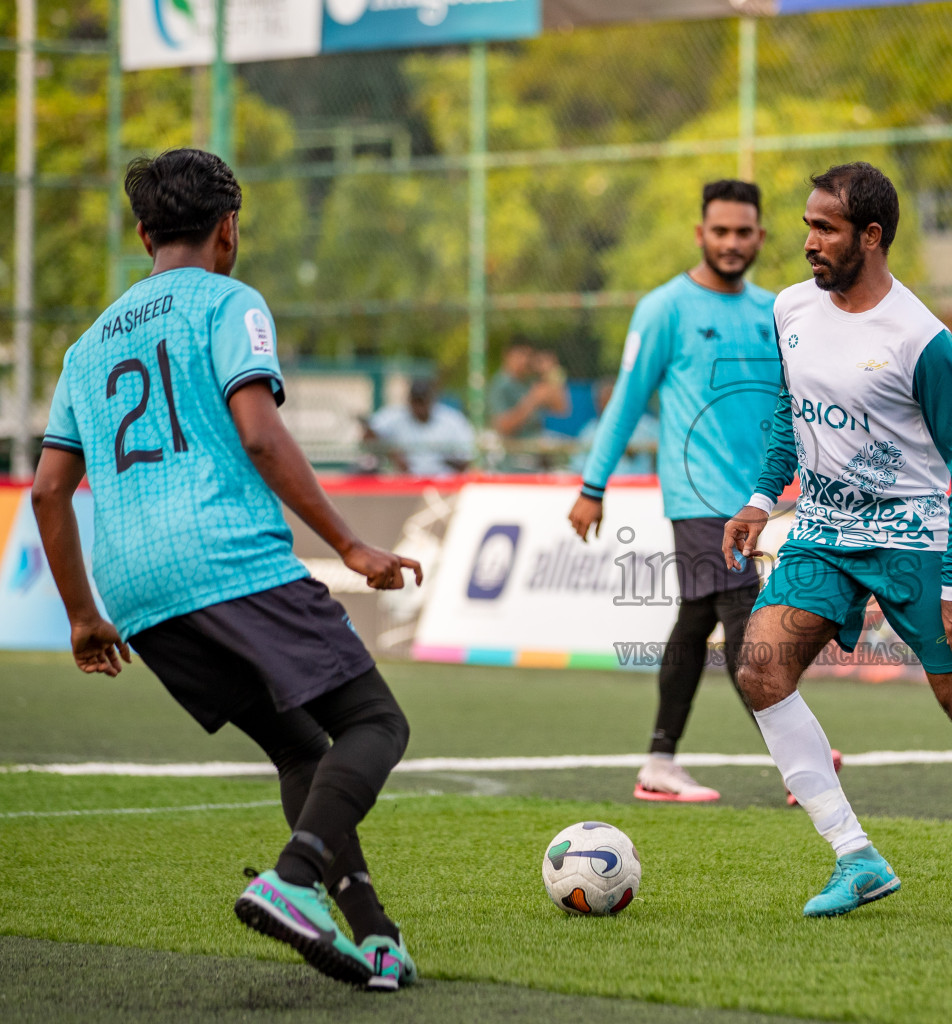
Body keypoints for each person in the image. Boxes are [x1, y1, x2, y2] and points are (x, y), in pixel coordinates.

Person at [31, 149, 424, 989]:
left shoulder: (86, 347)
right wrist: (351, 544)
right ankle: (293, 880)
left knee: (297, 751)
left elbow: (49, 493)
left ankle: (374, 934)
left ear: (143, 234)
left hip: (137, 591)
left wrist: (81, 614)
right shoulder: (230, 301)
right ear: (230, 228)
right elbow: (258, 431)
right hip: (225, 557)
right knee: (375, 724)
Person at [724, 162, 952, 918]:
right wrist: (763, 498)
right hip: (825, 533)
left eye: (825, 228)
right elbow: (788, 413)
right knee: (760, 669)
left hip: (916, 541)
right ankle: (855, 858)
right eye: (807, 225)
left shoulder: (921, 340)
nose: (808, 242)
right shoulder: (790, 308)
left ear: (871, 236)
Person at [568, 179, 778, 802]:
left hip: (756, 501)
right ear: (700, 234)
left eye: (744, 232)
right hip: (697, 497)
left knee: (695, 623)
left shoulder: (774, 309)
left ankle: (659, 762)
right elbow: (628, 401)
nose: (732, 243)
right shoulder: (665, 307)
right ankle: (799, 753)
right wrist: (591, 485)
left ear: (761, 237)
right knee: (745, 614)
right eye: (721, 231)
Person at [364, 377, 476, 475]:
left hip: (444, 484)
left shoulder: (453, 419)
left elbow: (467, 460)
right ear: (409, 401)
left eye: (423, 401)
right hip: (405, 484)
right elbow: (368, 437)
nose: (420, 408)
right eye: (416, 402)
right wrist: (390, 452)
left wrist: (440, 459)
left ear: (432, 400)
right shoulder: (395, 416)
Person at [489, 343, 571, 442]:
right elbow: (503, 428)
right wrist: (531, 401)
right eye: (520, 355)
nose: (524, 360)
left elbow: (561, 408)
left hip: (537, 441)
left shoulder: (530, 381)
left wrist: (551, 372)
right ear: (507, 355)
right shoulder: (500, 385)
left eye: (528, 356)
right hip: (513, 447)